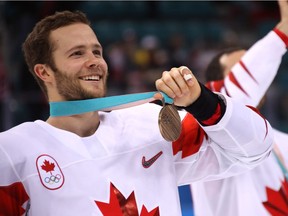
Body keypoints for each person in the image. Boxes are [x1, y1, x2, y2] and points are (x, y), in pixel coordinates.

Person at [0, 10, 273, 216]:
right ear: (44, 71)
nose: (94, 61)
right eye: (77, 53)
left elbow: (254, 150)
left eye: (97, 51)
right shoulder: (14, 152)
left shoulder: (149, 126)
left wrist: (201, 101)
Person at [189, 1, 288, 215]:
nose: (259, 76)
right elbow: (227, 100)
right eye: (240, 71)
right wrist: (283, 32)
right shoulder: (208, 135)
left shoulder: (284, 141)